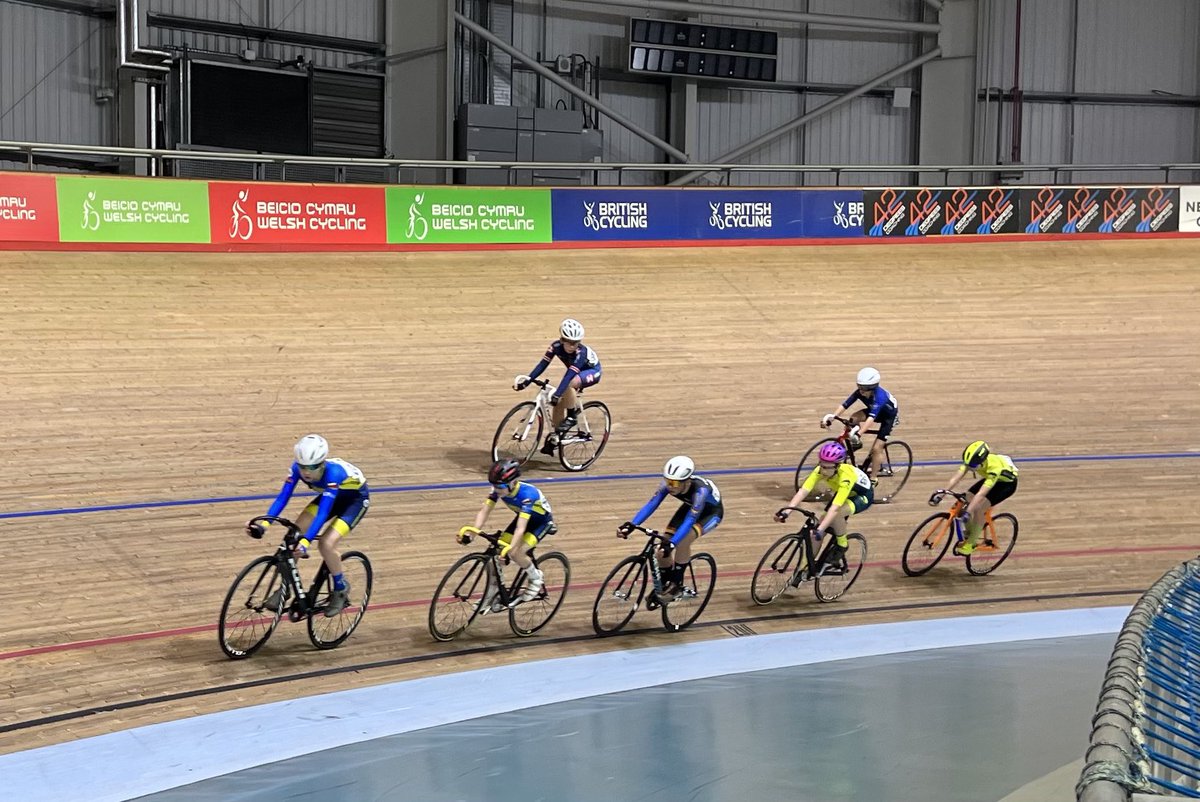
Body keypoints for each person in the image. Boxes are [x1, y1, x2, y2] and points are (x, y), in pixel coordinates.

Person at [249, 434, 370, 617]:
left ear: (322, 463)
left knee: (326, 544)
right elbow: (283, 498)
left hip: (354, 501)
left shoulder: (333, 474)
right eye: (303, 466)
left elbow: (323, 513)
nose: (306, 472)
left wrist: (306, 542)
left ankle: (340, 587)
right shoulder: (296, 469)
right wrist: (265, 524)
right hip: (332, 497)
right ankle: (285, 588)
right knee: (294, 534)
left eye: (312, 467)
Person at [618, 456, 723, 603]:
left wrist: (673, 543)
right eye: (668, 481)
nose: (670, 486)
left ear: (686, 481)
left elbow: (690, 520)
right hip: (689, 508)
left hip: (710, 513)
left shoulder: (700, 492)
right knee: (661, 550)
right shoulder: (668, 485)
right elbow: (652, 504)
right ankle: (665, 585)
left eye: (674, 483)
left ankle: (676, 585)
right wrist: (632, 524)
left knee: (683, 541)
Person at [458, 458, 558, 610]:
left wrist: (510, 549)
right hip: (522, 518)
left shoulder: (527, 495)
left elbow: (520, 528)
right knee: (495, 554)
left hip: (540, 522)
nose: (496, 489)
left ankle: (535, 578)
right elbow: (484, 511)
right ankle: (492, 592)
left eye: (500, 486)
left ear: (513, 483)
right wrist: (472, 533)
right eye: (494, 485)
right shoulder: (498, 490)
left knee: (516, 553)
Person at [777, 441, 872, 573]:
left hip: (861, 496)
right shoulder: (819, 470)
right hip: (842, 493)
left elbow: (834, 509)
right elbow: (803, 491)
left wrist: (820, 530)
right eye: (821, 465)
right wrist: (787, 511)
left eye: (827, 467)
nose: (823, 470)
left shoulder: (846, 478)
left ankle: (842, 544)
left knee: (835, 515)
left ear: (837, 466)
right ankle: (804, 569)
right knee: (818, 527)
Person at [513, 318, 602, 456]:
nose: (573, 346)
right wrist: (528, 381)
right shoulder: (555, 347)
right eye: (570, 342)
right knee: (558, 403)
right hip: (574, 374)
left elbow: (569, 375)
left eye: (576, 342)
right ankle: (557, 437)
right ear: (562, 339)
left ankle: (572, 417)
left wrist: (558, 393)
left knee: (569, 384)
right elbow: (542, 365)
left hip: (591, 372)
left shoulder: (581, 353)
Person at [930, 440, 1019, 555]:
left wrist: (968, 512)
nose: (969, 467)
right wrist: (941, 495)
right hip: (991, 479)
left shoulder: (994, 468)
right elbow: (956, 478)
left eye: (972, 466)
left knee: (978, 509)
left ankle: (971, 543)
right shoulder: (972, 461)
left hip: (1005, 485)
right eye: (967, 464)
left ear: (982, 462)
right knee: (965, 500)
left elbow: (981, 494)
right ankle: (970, 532)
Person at [820, 366, 899, 480]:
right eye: (859, 387)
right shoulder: (861, 392)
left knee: (877, 448)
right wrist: (832, 417)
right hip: (874, 411)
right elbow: (845, 405)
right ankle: (856, 444)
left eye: (864, 389)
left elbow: (871, 419)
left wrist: (859, 433)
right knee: (853, 418)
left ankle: (873, 478)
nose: (861, 391)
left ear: (872, 388)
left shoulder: (879, 397)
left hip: (888, 417)